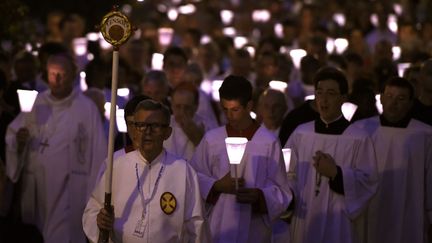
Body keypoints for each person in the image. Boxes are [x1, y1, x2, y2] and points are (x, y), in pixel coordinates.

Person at [5, 53, 107, 243]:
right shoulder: (38, 103)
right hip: (37, 187)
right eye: (52, 74)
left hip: (70, 188)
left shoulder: (86, 109)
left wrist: (95, 194)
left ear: (73, 75)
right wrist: (19, 141)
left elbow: (99, 152)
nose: (57, 79)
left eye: (62, 74)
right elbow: (13, 135)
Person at [83, 99, 211, 242]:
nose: (147, 132)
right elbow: (93, 210)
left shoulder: (182, 171)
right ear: (134, 130)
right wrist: (100, 220)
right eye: (141, 125)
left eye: (155, 126)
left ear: (167, 133)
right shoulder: (117, 167)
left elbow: (196, 226)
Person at [189, 75, 293, 243]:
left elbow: (282, 192)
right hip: (218, 228)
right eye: (225, 109)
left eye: (235, 109)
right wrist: (216, 186)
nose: (229, 116)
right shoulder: (212, 139)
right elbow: (192, 177)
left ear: (249, 106)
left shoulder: (267, 142)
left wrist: (259, 196)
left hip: (254, 229)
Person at [284, 67, 378, 243]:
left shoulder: (358, 138)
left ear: (343, 98)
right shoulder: (301, 134)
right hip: (306, 218)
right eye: (319, 93)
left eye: (331, 93)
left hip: (339, 222)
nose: (324, 100)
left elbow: (369, 182)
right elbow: (288, 173)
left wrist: (337, 174)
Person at [353, 77, 432, 243]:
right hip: (370, 209)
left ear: (411, 103)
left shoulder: (425, 135)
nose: (393, 103)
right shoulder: (360, 130)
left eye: (400, 98)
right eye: (389, 96)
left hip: (409, 210)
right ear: (380, 98)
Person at [164, 82, 214, 161]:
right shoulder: (163, 124)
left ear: (196, 106)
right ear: (171, 105)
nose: (182, 112)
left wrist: (199, 139)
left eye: (187, 107)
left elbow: (214, 160)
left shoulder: (208, 126)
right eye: (178, 106)